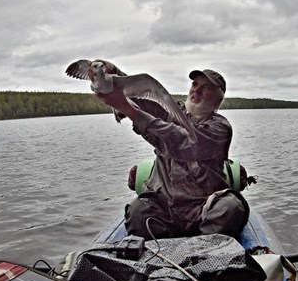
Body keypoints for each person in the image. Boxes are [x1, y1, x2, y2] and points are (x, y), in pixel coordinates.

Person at [96, 68, 249, 240]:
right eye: (195, 84)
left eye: (205, 88)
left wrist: (128, 109)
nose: (196, 90)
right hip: (165, 209)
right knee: (138, 213)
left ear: (218, 99)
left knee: (232, 208)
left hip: (203, 208)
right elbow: (141, 97)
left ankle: (202, 249)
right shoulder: (171, 111)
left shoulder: (220, 128)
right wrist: (112, 75)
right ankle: (166, 247)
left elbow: (183, 142)